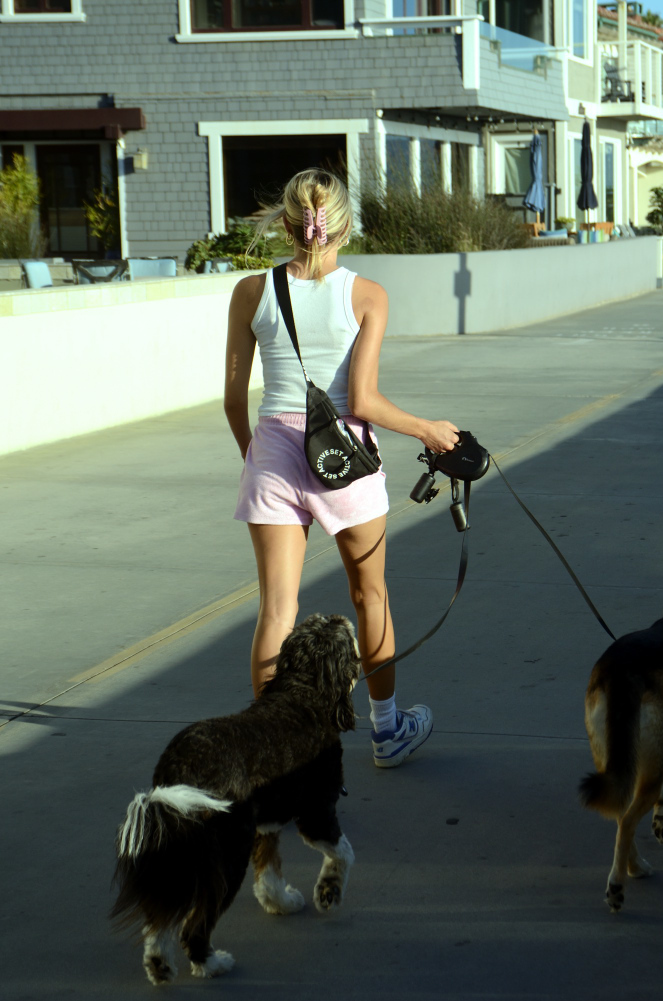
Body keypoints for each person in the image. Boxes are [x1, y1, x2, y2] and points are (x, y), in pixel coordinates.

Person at [224, 168, 459, 768]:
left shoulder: (251, 291)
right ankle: (387, 732)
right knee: (370, 596)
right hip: (344, 458)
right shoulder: (367, 295)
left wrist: (257, 457)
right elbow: (363, 402)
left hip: (273, 454)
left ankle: (274, 752)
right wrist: (428, 429)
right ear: (344, 227)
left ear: (286, 224)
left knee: (278, 611)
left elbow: (232, 401)